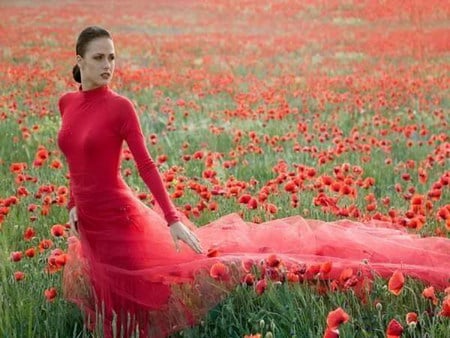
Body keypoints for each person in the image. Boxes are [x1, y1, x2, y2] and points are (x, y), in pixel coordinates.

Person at [59, 26, 450, 338]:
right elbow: (76, 158)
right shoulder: (67, 103)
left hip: (121, 218)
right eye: (99, 58)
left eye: (112, 57)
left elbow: (145, 166)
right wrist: (73, 204)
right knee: (106, 299)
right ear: (80, 61)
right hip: (89, 221)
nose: (108, 65)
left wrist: (173, 218)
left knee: (144, 294)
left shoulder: (121, 107)